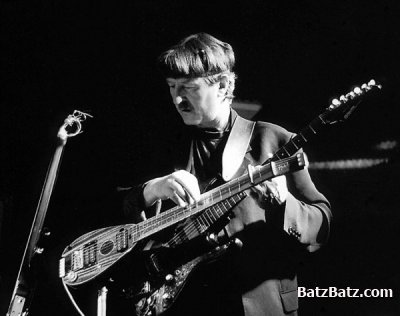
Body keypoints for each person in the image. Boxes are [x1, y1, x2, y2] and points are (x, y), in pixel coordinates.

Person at [122, 32, 332, 316]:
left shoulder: (274, 140)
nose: (177, 99)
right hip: (185, 304)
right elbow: (115, 211)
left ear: (222, 85)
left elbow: (321, 224)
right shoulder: (164, 145)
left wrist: (285, 203)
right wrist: (151, 190)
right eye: (171, 87)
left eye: (188, 87)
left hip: (261, 306)